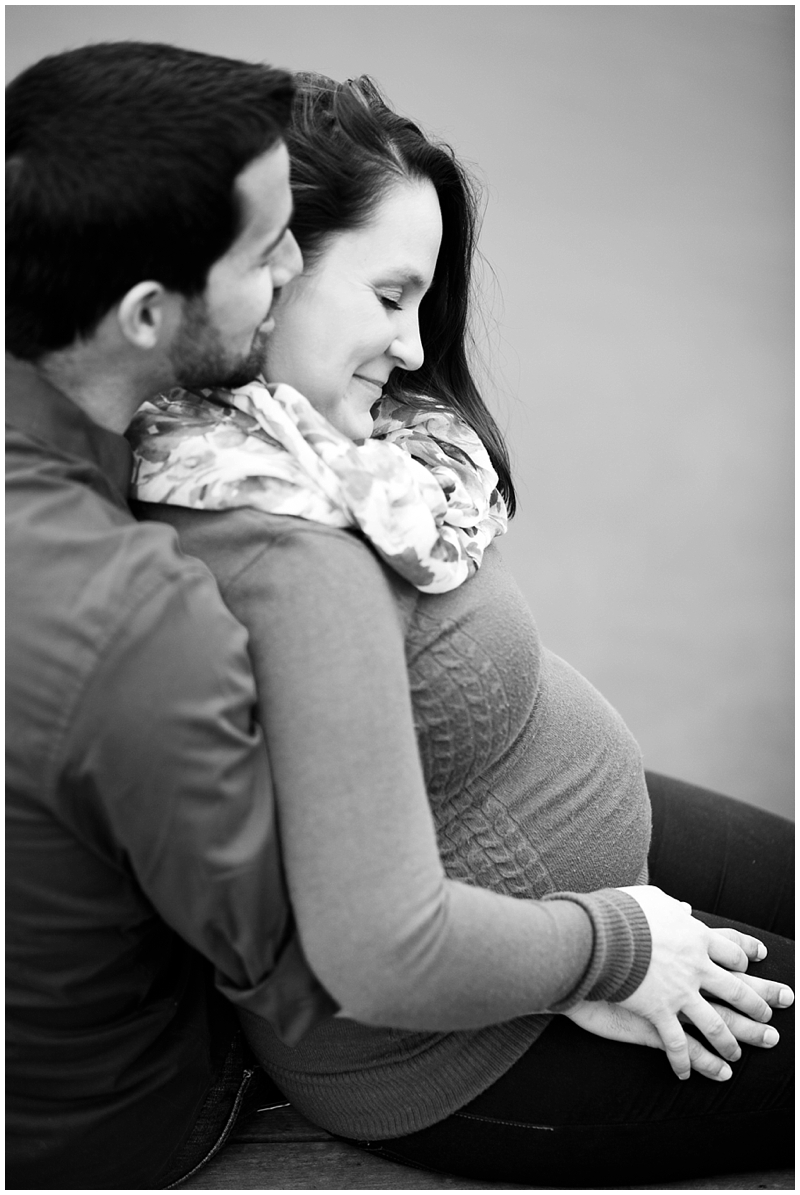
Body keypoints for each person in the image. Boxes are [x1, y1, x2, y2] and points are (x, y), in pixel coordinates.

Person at [130, 74, 794, 1188]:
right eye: (388, 296)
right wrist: (615, 950)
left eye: (421, 303)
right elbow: (379, 945)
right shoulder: (266, 544)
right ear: (269, 270)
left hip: (568, 848)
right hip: (461, 1043)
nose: (407, 345)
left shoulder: (340, 453)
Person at [5, 42, 325, 1189]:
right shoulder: (135, 615)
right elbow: (293, 956)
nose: (299, 264)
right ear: (147, 313)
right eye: (267, 246)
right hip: (120, 1118)